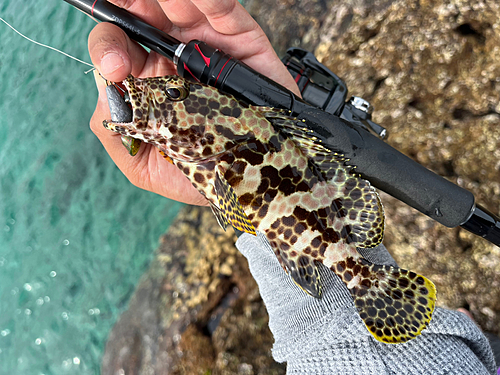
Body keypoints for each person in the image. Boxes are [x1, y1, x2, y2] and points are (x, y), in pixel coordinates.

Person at [88, 1, 498, 373]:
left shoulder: (213, 154)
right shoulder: (212, 149)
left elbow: (249, 206)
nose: (169, 95)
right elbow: (252, 203)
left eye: (177, 92)